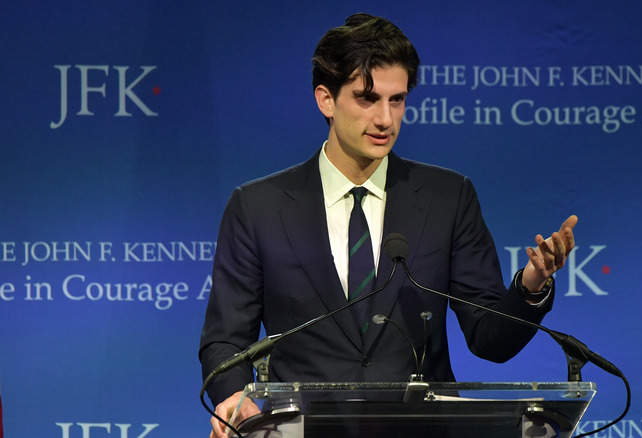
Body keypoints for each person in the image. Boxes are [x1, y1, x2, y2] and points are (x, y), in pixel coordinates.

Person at [199, 13, 577, 438]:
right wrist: (233, 398)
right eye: (368, 98)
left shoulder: (446, 198)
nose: (385, 119)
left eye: (396, 100)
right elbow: (225, 341)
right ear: (326, 99)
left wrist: (530, 286)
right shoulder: (258, 207)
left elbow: (490, 341)